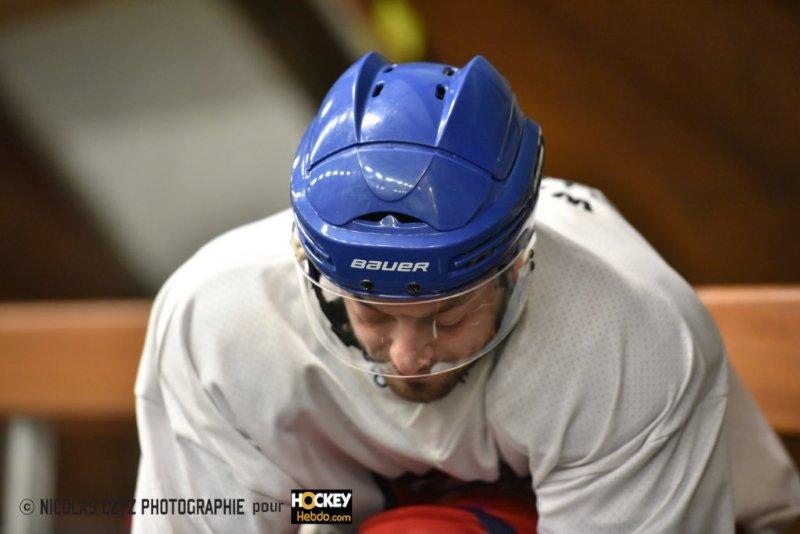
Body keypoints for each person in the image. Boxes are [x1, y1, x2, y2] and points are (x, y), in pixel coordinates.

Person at [132, 53, 800, 533]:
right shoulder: (218, 320)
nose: (408, 358)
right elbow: (239, 516)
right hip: (336, 506)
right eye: (370, 312)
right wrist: (339, 513)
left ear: (514, 267)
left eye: (448, 315)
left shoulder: (622, 333)